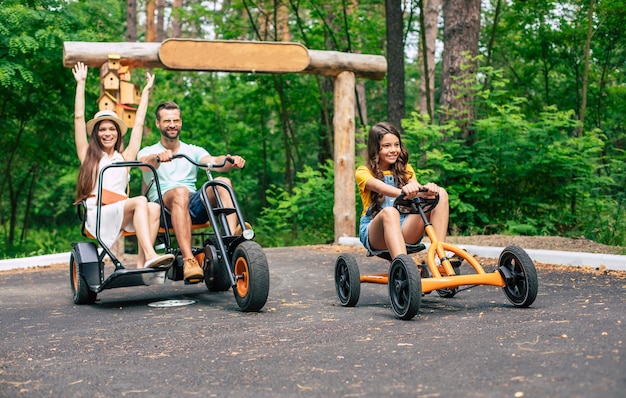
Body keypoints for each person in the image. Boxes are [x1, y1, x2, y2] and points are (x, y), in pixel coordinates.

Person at [72, 62, 173, 269]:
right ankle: (151, 254)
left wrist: (145, 93)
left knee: (153, 207)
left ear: (118, 133)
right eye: (102, 130)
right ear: (96, 134)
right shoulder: (87, 154)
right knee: (139, 201)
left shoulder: (123, 158)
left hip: (121, 211)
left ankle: (141, 263)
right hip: (99, 213)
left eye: (112, 129)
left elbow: (138, 124)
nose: (107, 133)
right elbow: (79, 117)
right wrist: (81, 84)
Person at [137, 101, 246, 282]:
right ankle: (189, 260)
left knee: (222, 182)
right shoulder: (148, 151)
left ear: (181, 122)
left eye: (176, 120)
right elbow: (146, 164)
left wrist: (230, 160)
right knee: (180, 192)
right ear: (158, 123)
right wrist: (158, 157)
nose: (172, 124)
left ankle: (230, 241)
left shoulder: (192, 150)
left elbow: (214, 161)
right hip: (164, 209)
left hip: (192, 206)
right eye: (167, 121)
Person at [356, 121, 450, 261]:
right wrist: (403, 191)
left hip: (406, 227)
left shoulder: (405, 169)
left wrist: (428, 190)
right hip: (376, 234)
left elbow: (416, 188)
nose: (393, 150)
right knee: (389, 211)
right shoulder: (363, 172)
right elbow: (380, 187)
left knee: (440, 193)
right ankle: (404, 265)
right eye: (386, 146)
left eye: (396, 145)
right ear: (375, 149)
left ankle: (439, 256)